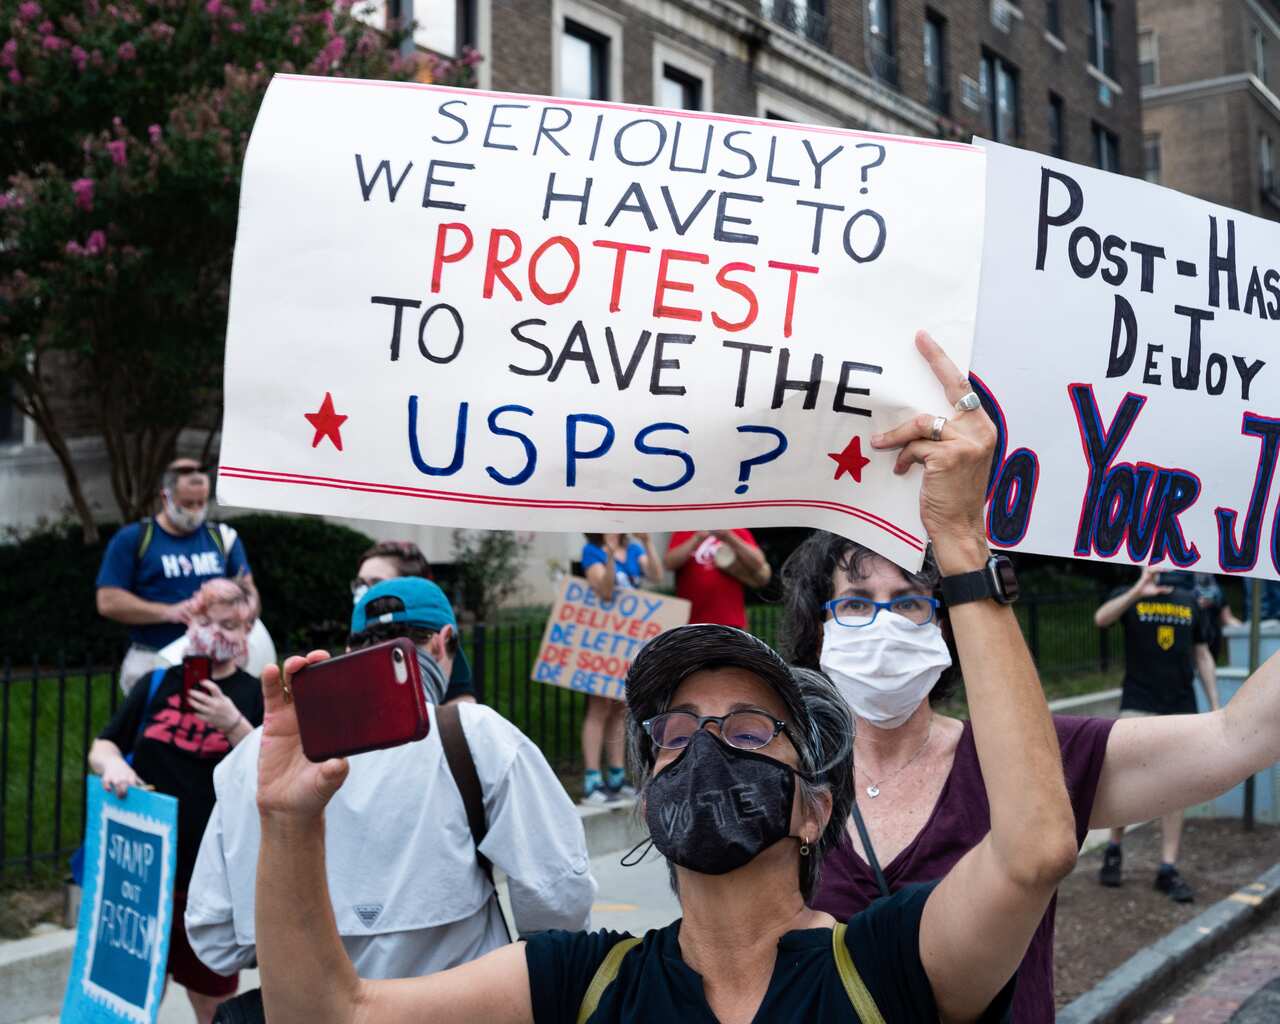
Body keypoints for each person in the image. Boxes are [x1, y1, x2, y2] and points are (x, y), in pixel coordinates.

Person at [247, 330, 1081, 1024]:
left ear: (815, 807)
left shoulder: (886, 963)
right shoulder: (578, 984)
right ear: (648, 799)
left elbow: (1035, 850)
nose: (708, 749)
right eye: (677, 736)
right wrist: (288, 823)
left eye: (751, 730)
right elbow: (330, 1013)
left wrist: (962, 546)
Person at [781, 542, 1280, 1018]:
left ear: (945, 623)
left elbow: (1238, 737)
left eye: (910, 602)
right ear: (820, 626)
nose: (882, 625)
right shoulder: (779, 782)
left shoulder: (1031, 765)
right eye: (855, 603)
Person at [185, 576, 595, 983]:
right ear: (443, 641)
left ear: (349, 650)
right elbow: (558, 894)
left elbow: (215, 939)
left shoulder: (257, 756)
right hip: (465, 1003)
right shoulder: (476, 734)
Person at [88, 578, 263, 1024]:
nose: (224, 634)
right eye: (212, 622)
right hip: (142, 875)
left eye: (236, 625)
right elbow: (102, 745)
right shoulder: (156, 685)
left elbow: (269, 772)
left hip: (208, 882)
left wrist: (234, 725)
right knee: (129, 995)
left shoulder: (256, 695)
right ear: (192, 622)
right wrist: (113, 766)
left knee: (211, 1003)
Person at [1094, 567, 1220, 902]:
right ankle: (1114, 848)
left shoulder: (1190, 600)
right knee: (1123, 779)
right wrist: (1139, 590)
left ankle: (1167, 867)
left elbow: (1203, 655)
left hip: (1180, 705)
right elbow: (1101, 620)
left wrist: (1216, 705)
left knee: (1176, 787)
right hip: (1139, 702)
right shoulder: (1131, 594)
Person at [96, 457, 259, 693]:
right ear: (166, 497)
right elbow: (108, 601)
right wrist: (168, 612)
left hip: (216, 662)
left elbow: (249, 593)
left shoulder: (223, 538)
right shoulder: (134, 538)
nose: (195, 511)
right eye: (187, 503)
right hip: (154, 658)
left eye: (201, 503)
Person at [579, 531, 661, 805]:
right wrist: (611, 557)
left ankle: (616, 775)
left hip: (629, 637)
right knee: (599, 707)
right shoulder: (592, 551)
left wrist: (649, 543)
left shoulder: (635, 549)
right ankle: (592, 779)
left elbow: (657, 576)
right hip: (603, 637)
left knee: (620, 706)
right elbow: (604, 589)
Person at [348, 539, 476, 704]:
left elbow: (462, 708)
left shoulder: (439, 648)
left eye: (376, 583)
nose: (364, 592)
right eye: (359, 584)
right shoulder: (359, 630)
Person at [663, 529, 771, 628]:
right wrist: (696, 539)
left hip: (730, 620)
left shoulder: (737, 530)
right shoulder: (685, 530)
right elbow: (669, 563)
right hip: (691, 621)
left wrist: (729, 537)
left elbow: (758, 562)